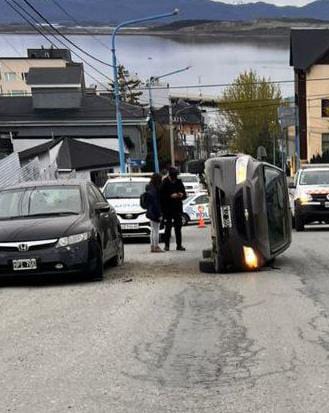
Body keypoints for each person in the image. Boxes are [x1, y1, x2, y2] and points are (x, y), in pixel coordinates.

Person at [160, 167, 187, 251]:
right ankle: (166, 245)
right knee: (168, 227)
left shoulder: (179, 182)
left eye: (176, 177)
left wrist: (181, 194)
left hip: (177, 208)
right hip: (168, 209)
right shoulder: (165, 183)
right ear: (170, 176)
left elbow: (184, 194)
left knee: (178, 227)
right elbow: (161, 196)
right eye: (173, 177)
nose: (174, 179)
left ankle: (179, 245)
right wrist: (170, 196)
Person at [146, 173, 164, 253]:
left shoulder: (148, 187)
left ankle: (152, 246)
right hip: (155, 211)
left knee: (152, 230)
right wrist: (159, 213)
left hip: (150, 210)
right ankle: (156, 246)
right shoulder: (156, 189)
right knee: (156, 230)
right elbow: (156, 202)